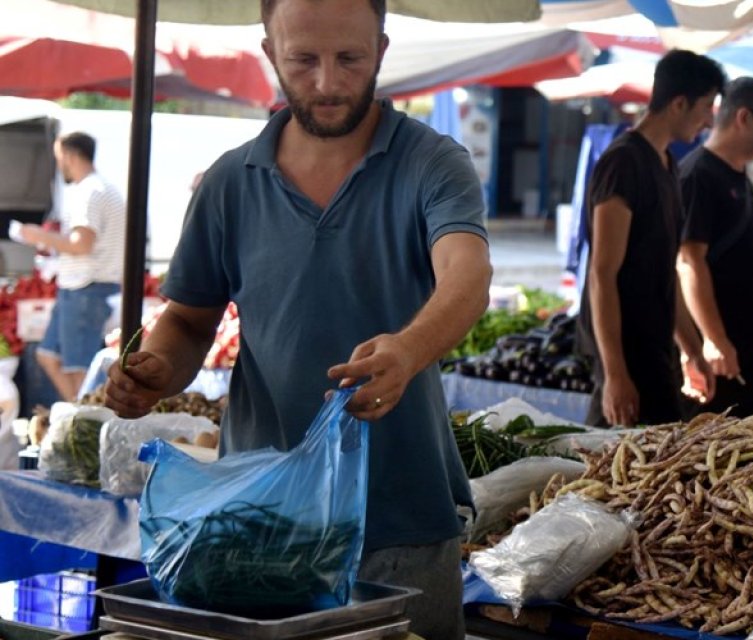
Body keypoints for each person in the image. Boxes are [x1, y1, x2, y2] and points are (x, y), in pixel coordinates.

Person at [102, 0, 492, 637]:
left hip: (402, 521)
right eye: (303, 59)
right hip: (254, 524)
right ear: (268, 52)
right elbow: (190, 320)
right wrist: (156, 372)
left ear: (382, 50)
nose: (328, 82)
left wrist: (408, 350)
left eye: (350, 58)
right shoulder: (230, 181)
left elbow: (468, 277)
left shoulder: (432, 161)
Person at [577, 49, 724, 427]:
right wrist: (614, 375)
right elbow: (602, 274)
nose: (709, 121)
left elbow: (665, 274)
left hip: (657, 358)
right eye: (707, 107)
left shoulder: (667, 164)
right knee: (612, 477)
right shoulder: (624, 163)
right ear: (679, 103)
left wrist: (692, 351)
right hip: (626, 360)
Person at [676, 77, 753, 417]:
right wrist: (714, 339)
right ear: (744, 118)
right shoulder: (698, 176)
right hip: (720, 358)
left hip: (751, 352)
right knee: (723, 460)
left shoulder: (737, 177)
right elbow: (689, 262)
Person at [16, 132, 125, 402]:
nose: (59, 165)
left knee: (79, 369)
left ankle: (84, 421)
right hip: (80, 288)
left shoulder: (89, 191)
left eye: (59, 158)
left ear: (70, 156)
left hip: (85, 289)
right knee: (47, 354)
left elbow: (81, 244)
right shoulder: (101, 188)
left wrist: (36, 235)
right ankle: (76, 414)